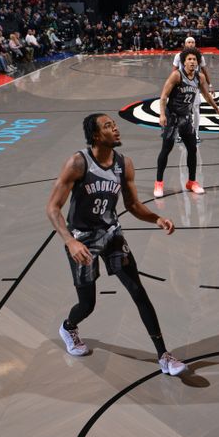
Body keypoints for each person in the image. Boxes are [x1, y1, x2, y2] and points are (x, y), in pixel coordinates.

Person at [46, 113, 187, 376]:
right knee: (87, 304)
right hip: (82, 239)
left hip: (111, 235)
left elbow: (132, 205)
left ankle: (163, 356)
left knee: (138, 290)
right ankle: (68, 327)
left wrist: (156, 218)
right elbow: (53, 208)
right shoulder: (78, 163)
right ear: (97, 135)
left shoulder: (124, 164)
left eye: (115, 124)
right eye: (109, 126)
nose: (116, 129)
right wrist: (69, 241)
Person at [153, 48, 219, 198]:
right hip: (172, 117)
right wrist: (161, 114)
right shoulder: (176, 75)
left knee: (192, 149)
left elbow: (206, 95)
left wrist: (217, 110)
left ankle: (191, 182)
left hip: (186, 117)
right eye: (189, 59)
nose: (192, 62)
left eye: (195, 59)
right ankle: (159, 183)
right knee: (166, 149)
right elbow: (164, 96)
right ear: (184, 62)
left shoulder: (200, 77)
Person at [172, 36, 213, 144]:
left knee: (196, 110)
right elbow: (174, 72)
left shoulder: (200, 57)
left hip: (194, 86)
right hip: (181, 87)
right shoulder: (178, 56)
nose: (191, 44)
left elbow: (204, 71)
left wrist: (210, 85)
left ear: (195, 44)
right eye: (189, 42)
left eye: (193, 42)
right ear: (185, 44)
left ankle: (196, 134)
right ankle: (181, 134)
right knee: (181, 112)